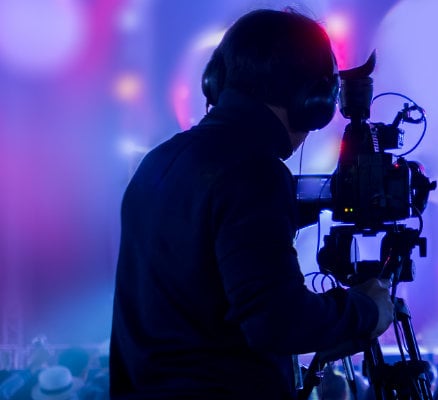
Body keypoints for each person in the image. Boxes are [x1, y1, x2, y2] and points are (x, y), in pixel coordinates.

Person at [110, 9, 394, 399]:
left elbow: (211, 242)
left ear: (216, 81)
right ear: (311, 99)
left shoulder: (158, 163)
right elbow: (277, 320)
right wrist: (367, 309)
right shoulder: (253, 173)